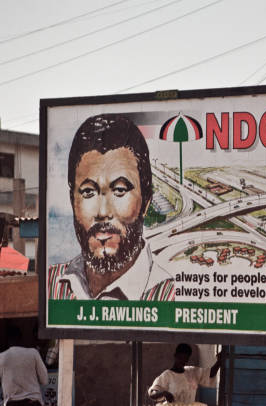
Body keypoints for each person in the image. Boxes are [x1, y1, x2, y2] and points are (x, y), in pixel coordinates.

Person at [48, 114, 174, 301]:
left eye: (120, 190)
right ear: (72, 200)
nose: (103, 212)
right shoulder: (51, 286)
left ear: (146, 201)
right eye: (89, 192)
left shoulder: (171, 296)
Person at [0, 326, 48, 406]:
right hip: (33, 403)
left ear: (7, 340)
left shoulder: (0, 357)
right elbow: (44, 380)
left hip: (12, 403)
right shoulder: (33, 353)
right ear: (21, 339)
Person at [148, 343, 223, 404]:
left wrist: (219, 361)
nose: (182, 361)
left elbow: (210, 374)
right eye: (180, 358)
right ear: (175, 356)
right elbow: (152, 394)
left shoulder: (192, 372)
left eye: (185, 359)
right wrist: (164, 393)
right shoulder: (167, 375)